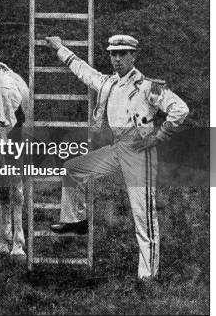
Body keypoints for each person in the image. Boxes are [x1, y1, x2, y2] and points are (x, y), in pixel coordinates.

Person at [44, 34, 189, 280]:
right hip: (117, 147)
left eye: (123, 53)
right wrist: (60, 48)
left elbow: (180, 109)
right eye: (114, 53)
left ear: (134, 55)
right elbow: (83, 70)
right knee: (72, 168)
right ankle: (76, 220)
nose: (118, 58)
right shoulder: (108, 83)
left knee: (143, 215)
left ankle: (147, 277)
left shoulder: (147, 86)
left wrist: (158, 136)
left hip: (139, 152)